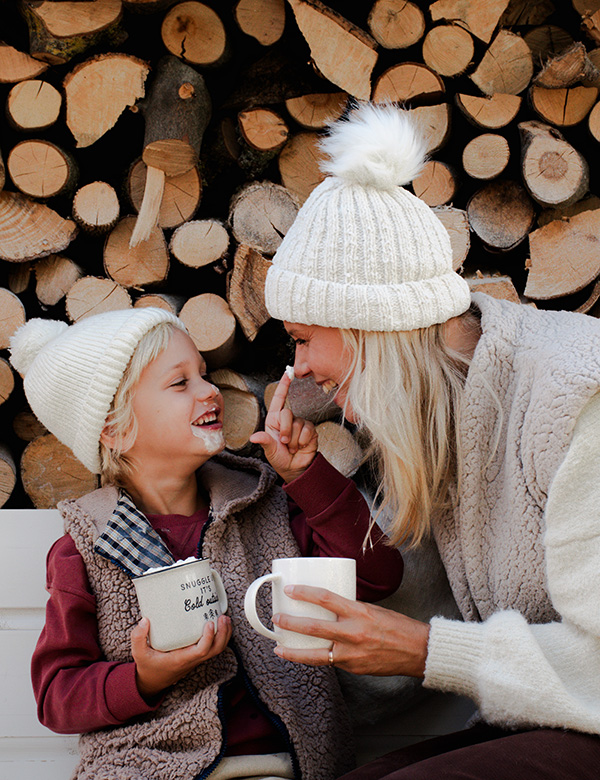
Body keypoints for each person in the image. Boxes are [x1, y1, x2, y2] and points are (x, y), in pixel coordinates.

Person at [261, 101, 600, 779]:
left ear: (367, 325)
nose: (300, 370)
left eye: (302, 338)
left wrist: (424, 651)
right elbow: (408, 596)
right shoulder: (452, 412)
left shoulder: (574, 396)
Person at [10, 307, 403, 780]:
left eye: (204, 374)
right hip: (146, 769)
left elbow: (377, 577)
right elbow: (58, 696)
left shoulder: (263, 507)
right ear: (114, 428)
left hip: (289, 767)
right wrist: (144, 678)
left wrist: (305, 475)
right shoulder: (89, 545)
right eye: (181, 383)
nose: (210, 390)